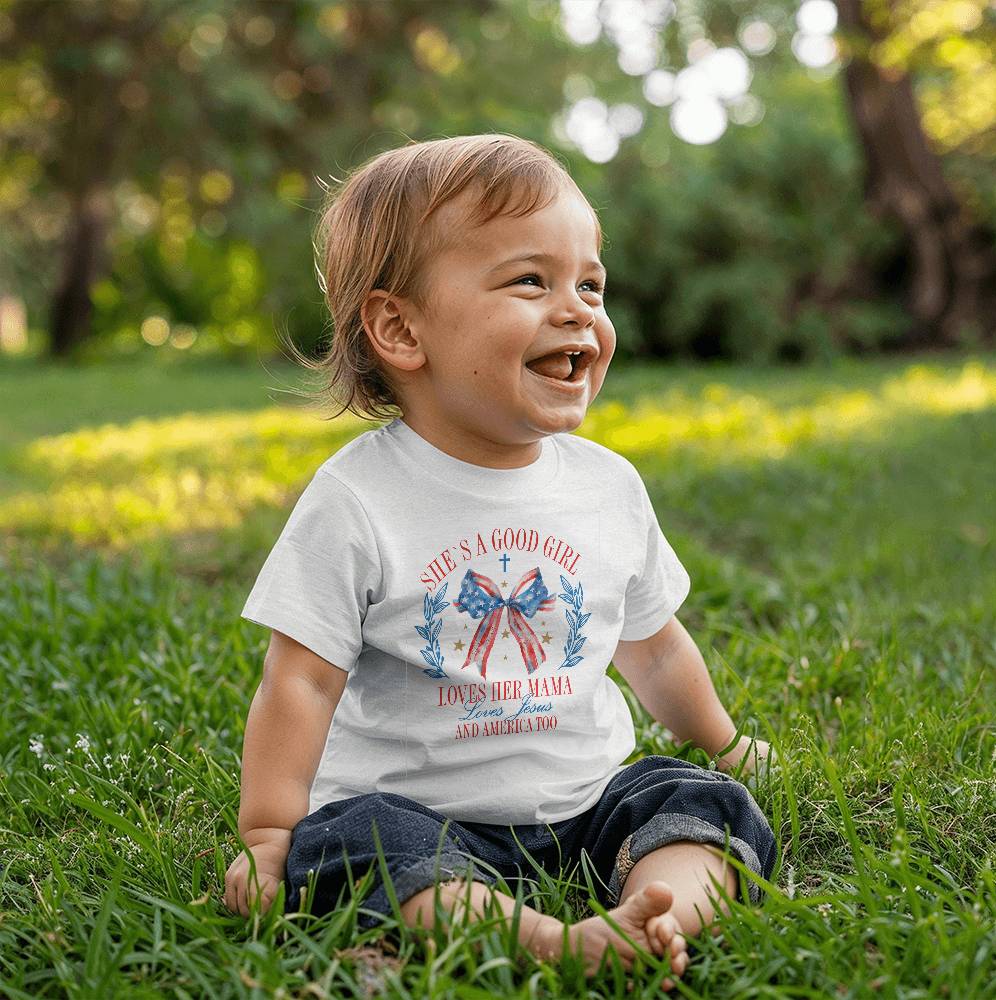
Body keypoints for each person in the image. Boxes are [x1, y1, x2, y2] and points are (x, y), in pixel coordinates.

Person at [223, 133, 778, 991]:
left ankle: (661, 914)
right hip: (419, 813)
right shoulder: (358, 498)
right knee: (352, 846)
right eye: (532, 281)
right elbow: (300, 681)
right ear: (402, 329)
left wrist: (728, 745)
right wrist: (267, 835)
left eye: (590, 284)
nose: (579, 311)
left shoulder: (608, 486)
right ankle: (555, 943)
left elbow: (656, 646)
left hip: (586, 803)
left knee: (697, 803)